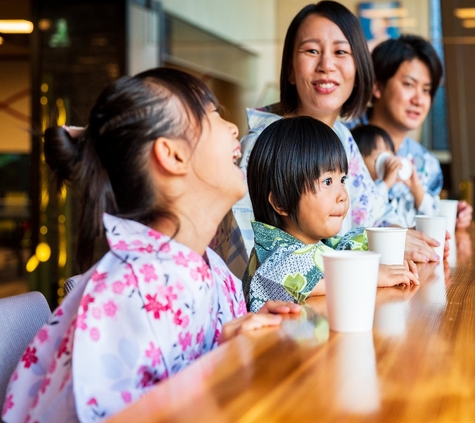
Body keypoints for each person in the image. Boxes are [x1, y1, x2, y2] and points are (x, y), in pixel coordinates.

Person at [2, 68, 299, 423]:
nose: (233, 127)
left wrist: (231, 342)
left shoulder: (211, 267)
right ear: (172, 156)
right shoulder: (128, 292)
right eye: (213, 113)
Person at [223, 1, 440, 279]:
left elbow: (371, 213)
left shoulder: (342, 134)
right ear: (290, 70)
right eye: (312, 50)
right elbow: (261, 266)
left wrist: (400, 236)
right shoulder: (265, 145)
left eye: (340, 52)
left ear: (359, 68)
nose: (326, 65)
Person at [242, 116, 419, 312]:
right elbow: (284, 277)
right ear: (281, 202)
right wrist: (369, 275)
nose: (343, 195)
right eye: (327, 182)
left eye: (342, 179)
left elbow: (343, 248)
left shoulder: (318, 244)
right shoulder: (274, 256)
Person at [357, 35, 473, 229]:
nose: (419, 100)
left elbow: (430, 220)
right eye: (409, 84)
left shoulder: (428, 165)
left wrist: (453, 217)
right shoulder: (344, 145)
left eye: (426, 90)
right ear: (377, 86)